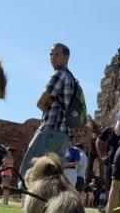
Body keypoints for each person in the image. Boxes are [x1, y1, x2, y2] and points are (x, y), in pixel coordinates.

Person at [18, 43, 78, 188]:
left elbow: (40, 103)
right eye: (51, 54)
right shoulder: (72, 79)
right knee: (52, 177)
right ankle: (47, 208)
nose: (52, 58)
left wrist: (48, 103)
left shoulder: (59, 75)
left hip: (50, 130)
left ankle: (29, 207)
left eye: (57, 54)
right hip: (63, 136)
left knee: (29, 171)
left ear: (66, 57)